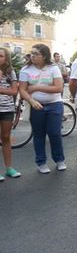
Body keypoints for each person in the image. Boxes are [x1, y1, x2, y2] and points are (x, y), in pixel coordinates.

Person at [19, 44, 66, 173]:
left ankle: (59, 160)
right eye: (31, 53)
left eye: (36, 54)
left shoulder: (53, 68)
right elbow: (22, 90)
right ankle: (41, 163)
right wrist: (31, 100)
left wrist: (36, 87)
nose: (32, 56)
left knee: (55, 133)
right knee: (38, 135)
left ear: (44, 56)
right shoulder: (26, 70)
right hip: (36, 106)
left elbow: (58, 88)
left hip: (55, 105)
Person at [0, 48, 20, 180]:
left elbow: (14, 91)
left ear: (6, 58)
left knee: (6, 138)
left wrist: (2, 90)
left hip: (7, 109)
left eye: (0, 56)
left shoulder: (10, 72)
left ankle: (9, 168)